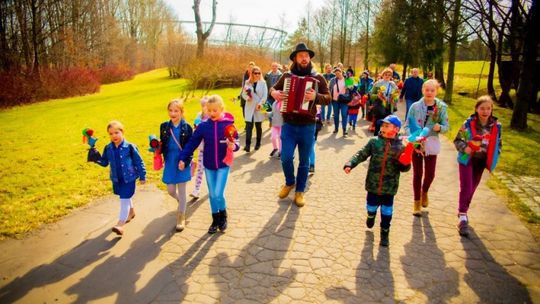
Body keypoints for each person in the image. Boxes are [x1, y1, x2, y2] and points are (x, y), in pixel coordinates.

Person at [270, 42, 331, 207]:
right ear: (295, 59)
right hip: (288, 125)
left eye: (306, 55)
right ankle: (290, 182)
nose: (304, 58)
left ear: (309, 57)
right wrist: (275, 93)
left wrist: (315, 97)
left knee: (304, 161)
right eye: (300, 56)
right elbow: (273, 89)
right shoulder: (287, 76)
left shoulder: (318, 77)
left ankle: (300, 191)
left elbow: (328, 97)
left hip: (308, 125)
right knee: (285, 158)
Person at [343, 115, 412, 246]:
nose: (383, 127)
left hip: (389, 187)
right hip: (373, 185)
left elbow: (404, 168)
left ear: (396, 129)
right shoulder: (374, 142)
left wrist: (406, 162)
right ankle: (371, 215)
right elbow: (361, 154)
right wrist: (350, 163)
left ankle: (385, 233)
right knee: (371, 206)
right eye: (383, 125)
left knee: (387, 212)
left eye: (387, 125)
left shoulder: (401, 146)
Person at [178, 95, 239, 234]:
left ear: (222, 109)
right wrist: (183, 157)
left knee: (218, 193)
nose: (211, 113)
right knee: (212, 194)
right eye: (209, 110)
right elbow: (192, 143)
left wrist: (233, 146)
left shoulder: (229, 125)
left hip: (224, 164)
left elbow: (237, 143)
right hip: (209, 165)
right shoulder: (203, 126)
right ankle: (215, 219)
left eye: (215, 110)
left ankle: (223, 215)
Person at [454, 96, 501, 237]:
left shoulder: (496, 126)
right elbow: (457, 140)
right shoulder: (468, 124)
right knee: (466, 187)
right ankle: (463, 218)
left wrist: (495, 156)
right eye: (482, 108)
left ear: (492, 109)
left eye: (488, 108)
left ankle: (463, 210)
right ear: (476, 109)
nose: (485, 111)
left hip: (481, 162)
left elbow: (499, 143)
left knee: (472, 189)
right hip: (467, 160)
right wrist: (465, 148)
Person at [404, 79, 449, 216]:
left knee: (430, 174)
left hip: (431, 144)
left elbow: (447, 127)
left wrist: (439, 127)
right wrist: (415, 141)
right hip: (417, 144)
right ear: (422, 90)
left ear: (436, 91)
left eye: (432, 90)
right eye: (427, 90)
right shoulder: (415, 107)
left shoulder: (441, 107)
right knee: (417, 174)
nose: (429, 92)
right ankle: (416, 203)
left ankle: (425, 191)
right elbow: (406, 126)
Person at [93, 121, 146, 235]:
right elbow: (104, 162)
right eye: (111, 134)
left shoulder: (130, 147)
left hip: (129, 178)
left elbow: (138, 161)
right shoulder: (108, 148)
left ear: (122, 132)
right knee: (124, 197)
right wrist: (95, 157)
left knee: (124, 200)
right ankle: (131, 212)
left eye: (116, 132)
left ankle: (120, 224)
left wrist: (142, 175)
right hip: (117, 179)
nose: (114, 136)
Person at [159, 99, 193, 232]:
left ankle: (181, 216)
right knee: (171, 190)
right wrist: (156, 148)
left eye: (176, 111)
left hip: (182, 162)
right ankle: (182, 203)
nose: (173, 113)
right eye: (171, 110)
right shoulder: (164, 126)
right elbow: (163, 144)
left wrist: (185, 161)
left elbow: (190, 147)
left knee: (183, 190)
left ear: (182, 112)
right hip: (170, 162)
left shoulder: (187, 127)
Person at [241, 66, 267, 152]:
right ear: (252, 74)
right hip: (249, 106)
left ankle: (258, 143)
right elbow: (244, 94)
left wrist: (260, 104)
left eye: (259, 73)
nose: (257, 75)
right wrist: (246, 98)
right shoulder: (247, 82)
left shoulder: (263, 83)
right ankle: (247, 145)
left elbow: (265, 96)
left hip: (259, 107)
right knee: (249, 126)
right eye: (255, 73)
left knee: (258, 126)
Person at [190, 97, 209, 200]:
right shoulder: (199, 116)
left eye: (205, 105)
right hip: (202, 148)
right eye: (202, 105)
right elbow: (195, 129)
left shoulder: (212, 116)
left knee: (210, 170)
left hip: (211, 149)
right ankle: (196, 190)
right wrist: (196, 128)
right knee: (200, 169)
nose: (204, 108)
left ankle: (213, 188)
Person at [370, 68, 398, 135]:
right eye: (386, 74)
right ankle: (376, 138)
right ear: (383, 75)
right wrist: (378, 96)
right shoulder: (378, 84)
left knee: (387, 124)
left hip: (389, 106)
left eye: (389, 75)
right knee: (379, 123)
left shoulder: (393, 85)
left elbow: (396, 96)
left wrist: (394, 98)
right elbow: (371, 95)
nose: (387, 76)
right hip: (380, 106)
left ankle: (384, 140)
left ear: (391, 76)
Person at [329, 67, 352, 136]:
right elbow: (329, 89)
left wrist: (348, 86)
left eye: (338, 73)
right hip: (335, 101)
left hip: (344, 100)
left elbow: (352, 88)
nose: (337, 75)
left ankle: (344, 130)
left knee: (344, 115)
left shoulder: (347, 79)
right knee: (336, 115)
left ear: (342, 72)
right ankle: (336, 128)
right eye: (336, 74)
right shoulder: (332, 80)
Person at [309, 106, 324, 173]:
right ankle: (307, 165)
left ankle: (312, 165)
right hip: (303, 134)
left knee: (311, 149)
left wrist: (315, 120)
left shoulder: (317, 111)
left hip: (313, 135)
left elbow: (320, 125)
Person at [269, 94, 283, 158]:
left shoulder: (283, 103)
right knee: (273, 137)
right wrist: (266, 113)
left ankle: (280, 151)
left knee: (280, 138)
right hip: (274, 124)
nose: (276, 97)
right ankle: (275, 148)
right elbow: (272, 113)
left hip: (281, 124)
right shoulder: (274, 103)